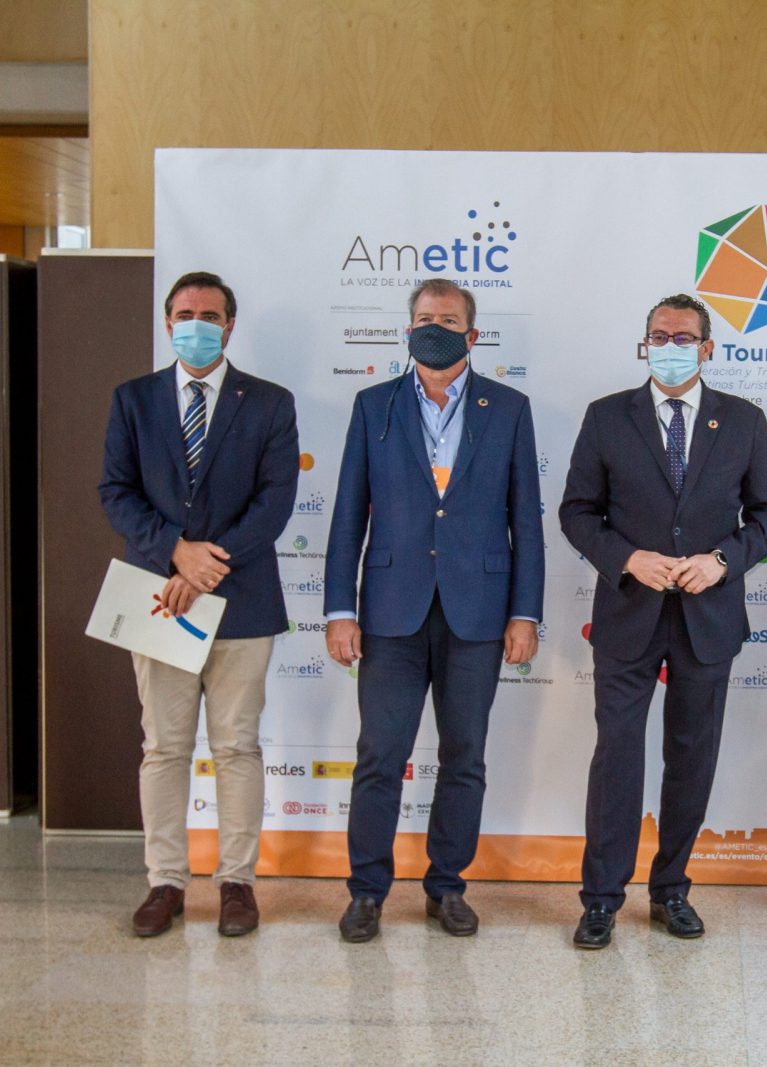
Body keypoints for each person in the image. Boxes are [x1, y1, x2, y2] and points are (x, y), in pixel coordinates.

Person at [559, 293, 767, 949]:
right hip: (628, 614)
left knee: (691, 758)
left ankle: (671, 890)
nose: (670, 346)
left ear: (707, 348)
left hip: (707, 618)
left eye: (683, 337)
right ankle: (601, 899)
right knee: (617, 758)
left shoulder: (744, 420)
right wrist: (626, 558)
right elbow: (577, 512)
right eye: (658, 336)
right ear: (644, 344)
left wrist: (722, 562)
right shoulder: (607, 416)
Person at [324, 278, 543, 943]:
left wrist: (525, 612)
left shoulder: (508, 408)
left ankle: (447, 886)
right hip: (391, 611)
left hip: (478, 612)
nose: (434, 328)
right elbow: (347, 515)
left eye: (448, 321)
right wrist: (338, 609)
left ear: (472, 335)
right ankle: (367, 892)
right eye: (424, 318)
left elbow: (526, 520)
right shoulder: (374, 405)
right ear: (407, 329)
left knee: (465, 755)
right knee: (379, 755)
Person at [100, 271, 299, 938]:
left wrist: (207, 563)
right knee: (164, 747)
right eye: (185, 314)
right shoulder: (133, 399)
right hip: (159, 596)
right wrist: (175, 553)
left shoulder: (269, 402)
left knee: (237, 746)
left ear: (229, 325)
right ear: (168, 323)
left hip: (242, 600)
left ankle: (237, 883)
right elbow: (116, 491)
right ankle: (165, 882)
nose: (196, 324)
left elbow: (275, 502)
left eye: (210, 315)